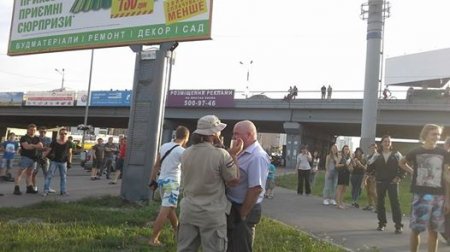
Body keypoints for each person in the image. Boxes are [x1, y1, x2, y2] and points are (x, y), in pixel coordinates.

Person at [177, 115, 241, 252]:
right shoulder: (221, 154)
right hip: (212, 214)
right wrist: (234, 155)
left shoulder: (186, 153)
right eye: (218, 130)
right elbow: (234, 180)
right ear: (213, 133)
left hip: (188, 210)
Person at [399, 124, 450, 252]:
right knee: (416, 230)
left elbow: (446, 176)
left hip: (439, 196)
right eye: (434, 134)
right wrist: (412, 172)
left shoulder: (443, 153)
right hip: (420, 196)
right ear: (425, 135)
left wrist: (448, 199)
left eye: (438, 134)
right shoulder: (416, 152)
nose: (437, 137)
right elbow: (401, 162)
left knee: (434, 231)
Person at [226, 120, 269, 252]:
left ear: (249, 135)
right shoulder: (241, 151)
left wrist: (243, 214)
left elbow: (256, 188)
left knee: (241, 246)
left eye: (236, 134)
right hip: (234, 206)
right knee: (231, 245)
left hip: (245, 208)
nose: (233, 137)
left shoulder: (257, 157)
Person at [148, 126, 189, 247]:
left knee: (170, 208)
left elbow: (156, 165)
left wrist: (151, 181)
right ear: (186, 137)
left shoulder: (164, 146)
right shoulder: (182, 151)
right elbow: (187, 169)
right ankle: (153, 239)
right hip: (172, 183)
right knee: (164, 211)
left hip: (161, 181)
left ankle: (178, 232)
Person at [367, 135, 404, 233]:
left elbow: (403, 166)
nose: (387, 143)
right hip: (380, 182)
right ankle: (381, 223)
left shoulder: (396, 154)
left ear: (391, 143)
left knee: (395, 203)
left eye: (389, 141)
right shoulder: (377, 155)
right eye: (385, 141)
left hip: (393, 182)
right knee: (380, 203)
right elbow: (370, 167)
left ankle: (398, 225)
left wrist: (399, 177)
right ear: (381, 143)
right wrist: (373, 175)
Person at [42, 128, 72, 196]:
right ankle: (46, 190)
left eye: (65, 133)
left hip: (63, 162)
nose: (63, 135)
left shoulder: (69, 142)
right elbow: (49, 150)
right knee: (49, 176)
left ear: (67, 134)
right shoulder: (54, 141)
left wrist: (69, 162)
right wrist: (43, 157)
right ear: (59, 134)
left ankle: (63, 191)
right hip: (54, 161)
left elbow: (70, 153)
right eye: (61, 134)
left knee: (63, 177)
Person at [13, 124, 43, 195]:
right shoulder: (24, 138)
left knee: (30, 174)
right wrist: (35, 146)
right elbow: (26, 147)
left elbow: (41, 146)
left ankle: (29, 188)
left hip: (34, 158)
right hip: (25, 157)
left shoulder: (37, 138)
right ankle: (16, 188)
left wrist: (32, 145)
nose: (33, 131)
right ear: (28, 130)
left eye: (34, 130)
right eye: (31, 130)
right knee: (20, 173)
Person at [32, 126, 52, 192]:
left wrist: (40, 147)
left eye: (44, 132)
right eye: (41, 131)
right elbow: (34, 147)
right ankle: (34, 186)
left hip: (45, 158)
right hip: (36, 158)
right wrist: (43, 148)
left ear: (46, 132)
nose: (42, 133)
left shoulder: (49, 139)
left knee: (46, 174)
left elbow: (49, 148)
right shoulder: (35, 138)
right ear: (39, 131)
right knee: (34, 173)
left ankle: (47, 188)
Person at [362, 143, 378, 211]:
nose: (372, 149)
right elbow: (367, 167)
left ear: (376, 148)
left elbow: (378, 167)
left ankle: (378, 206)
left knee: (373, 191)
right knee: (368, 191)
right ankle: (370, 205)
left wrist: (375, 176)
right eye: (371, 148)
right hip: (368, 175)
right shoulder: (368, 156)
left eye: (374, 147)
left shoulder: (377, 156)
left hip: (374, 176)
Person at [335, 145, 352, 209]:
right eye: (345, 149)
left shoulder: (349, 158)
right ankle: (338, 203)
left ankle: (341, 202)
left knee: (344, 189)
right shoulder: (340, 157)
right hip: (341, 173)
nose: (347, 150)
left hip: (347, 174)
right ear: (343, 150)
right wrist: (344, 164)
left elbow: (351, 167)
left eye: (348, 149)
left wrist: (350, 166)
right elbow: (336, 165)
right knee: (340, 188)